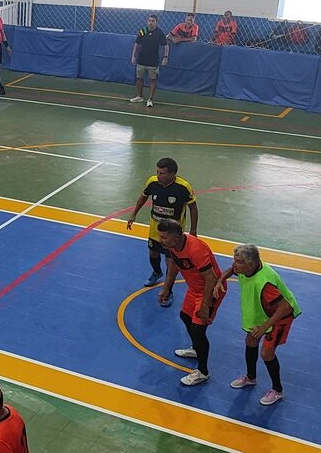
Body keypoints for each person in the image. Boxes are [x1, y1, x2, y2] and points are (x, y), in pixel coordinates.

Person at [221, 244, 301, 406]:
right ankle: (251, 378)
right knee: (251, 341)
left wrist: (264, 327)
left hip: (281, 316)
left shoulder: (265, 283)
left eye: (238, 262)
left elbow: (285, 307)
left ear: (250, 264)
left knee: (266, 353)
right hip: (264, 311)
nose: (234, 264)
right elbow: (231, 270)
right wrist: (219, 281)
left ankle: (277, 390)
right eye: (234, 260)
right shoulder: (246, 268)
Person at [156, 218, 226, 387]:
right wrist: (167, 288)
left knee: (198, 330)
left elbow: (211, 278)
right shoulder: (173, 246)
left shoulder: (196, 249)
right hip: (195, 289)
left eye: (164, 237)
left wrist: (205, 305)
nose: (160, 240)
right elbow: (174, 266)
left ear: (176, 236)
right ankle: (196, 349)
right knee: (185, 316)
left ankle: (203, 372)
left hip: (210, 290)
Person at [124, 157, 198, 286]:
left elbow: (193, 208)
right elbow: (143, 197)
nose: (158, 176)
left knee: (171, 261)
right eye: (157, 172)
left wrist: (193, 231)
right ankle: (157, 272)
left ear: (172, 174)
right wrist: (134, 214)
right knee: (153, 253)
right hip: (155, 229)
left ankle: (168, 289)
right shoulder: (152, 182)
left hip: (173, 232)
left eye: (162, 173)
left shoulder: (183, 187)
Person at [129, 14, 168, 107]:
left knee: (152, 80)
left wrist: (165, 57)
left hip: (153, 62)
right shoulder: (143, 31)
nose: (150, 23)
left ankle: (150, 99)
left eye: (153, 21)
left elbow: (166, 46)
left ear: (156, 22)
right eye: (149, 21)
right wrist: (133, 56)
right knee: (139, 78)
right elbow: (137, 44)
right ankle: (139, 96)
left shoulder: (159, 33)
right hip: (141, 60)